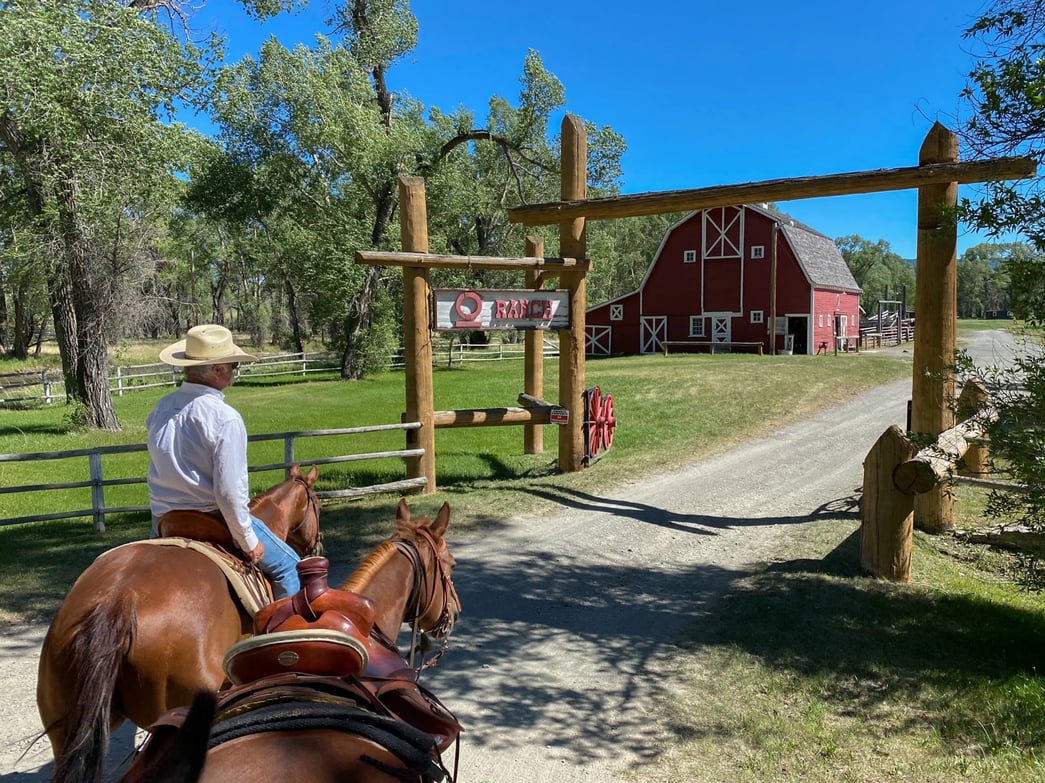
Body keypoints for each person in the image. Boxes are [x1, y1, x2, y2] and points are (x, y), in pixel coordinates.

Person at [147, 324, 301, 599]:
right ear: (217, 370)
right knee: (289, 568)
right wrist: (247, 540)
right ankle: (282, 639)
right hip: (212, 518)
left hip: (166, 521)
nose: (234, 371)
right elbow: (229, 494)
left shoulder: (161, 408)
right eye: (232, 365)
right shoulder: (224, 418)